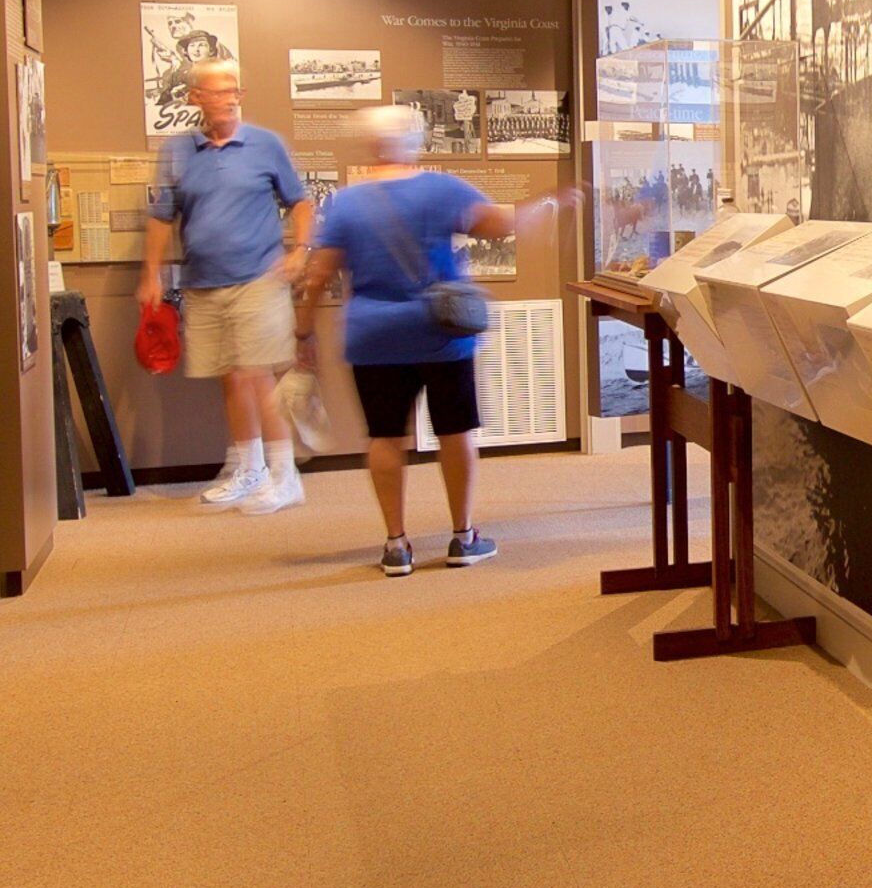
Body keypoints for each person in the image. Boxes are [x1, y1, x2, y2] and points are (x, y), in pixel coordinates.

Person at [300, 103, 575, 576]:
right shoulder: (440, 188)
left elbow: (319, 274)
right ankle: (463, 537)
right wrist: (551, 201)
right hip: (440, 332)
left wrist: (302, 330)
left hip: (374, 336)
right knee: (455, 431)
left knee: (385, 437)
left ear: (371, 145)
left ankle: (396, 545)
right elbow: (502, 225)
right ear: (414, 141)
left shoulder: (344, 202)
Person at [140, 64, 312, 513]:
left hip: (258, 277)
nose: (231, 100)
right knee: (232, 378)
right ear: (195, 98)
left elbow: (301, 202)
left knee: (256, 377)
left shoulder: (265, 144)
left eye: (235, 91)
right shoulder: (177, 150)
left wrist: (299, 252)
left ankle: (284, 475)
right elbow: (162, 216)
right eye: (220, 93)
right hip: (203, 281)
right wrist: (151, 273)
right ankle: (249, 468)